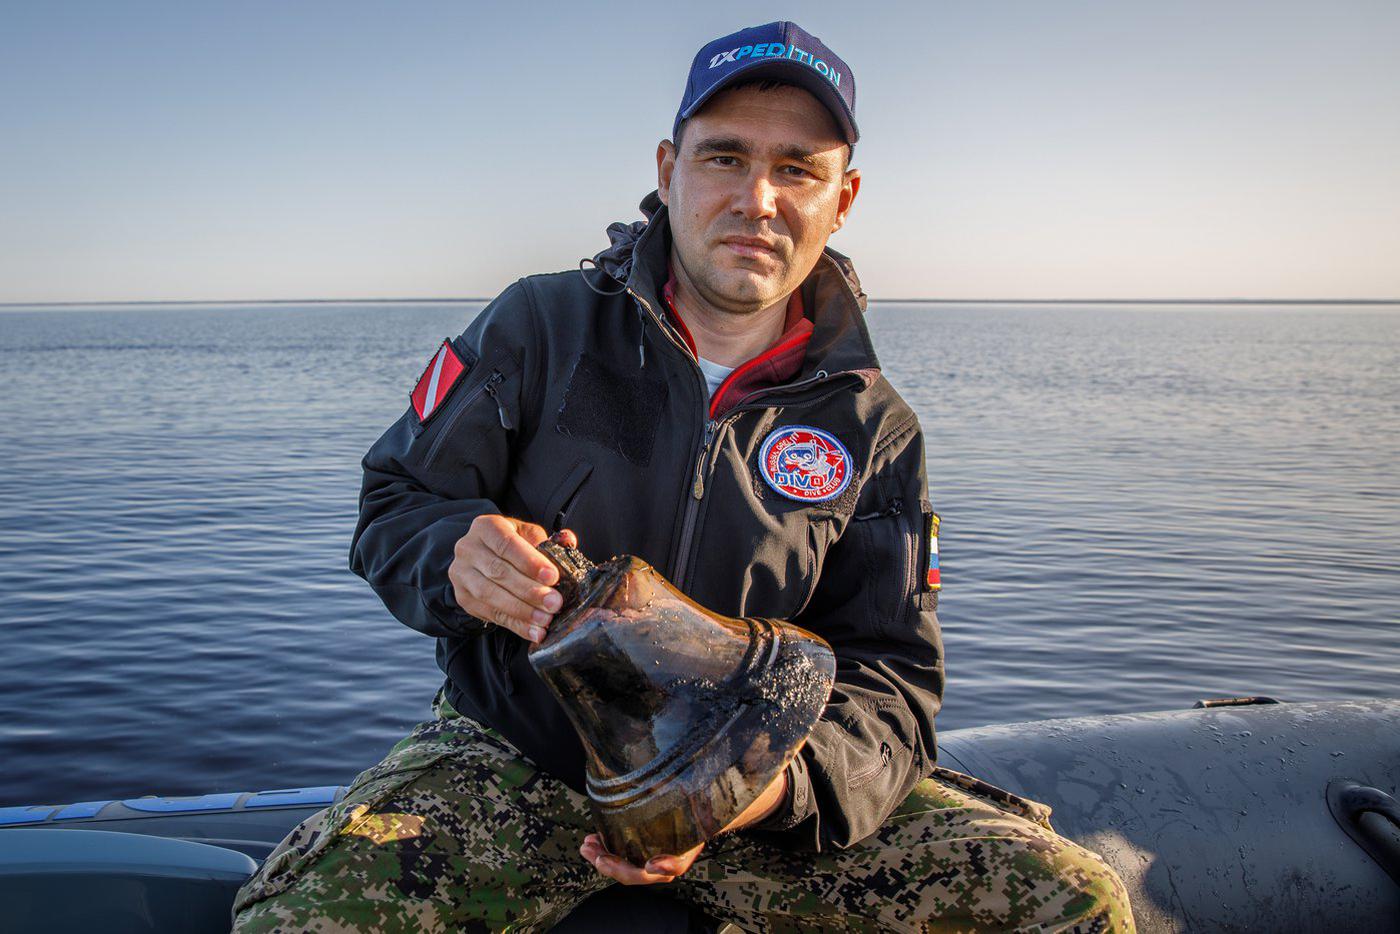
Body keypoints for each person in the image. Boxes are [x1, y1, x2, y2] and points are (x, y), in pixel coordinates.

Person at [231, 20, 1135, 933]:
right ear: (668, 171)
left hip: (755, 800)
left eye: (797, 169)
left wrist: (764, 791)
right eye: (725, 158)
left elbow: (892, 675)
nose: (758, 199)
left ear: (843, 197)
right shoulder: (539, 324)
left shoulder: (876, 427)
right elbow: (394, 503)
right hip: (514, 759)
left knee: (1072, 903)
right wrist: (456, 559)